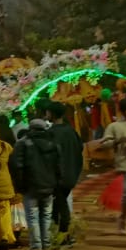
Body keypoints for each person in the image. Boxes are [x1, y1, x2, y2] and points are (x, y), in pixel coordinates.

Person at [9, 118, 63, 250]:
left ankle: (36, 248)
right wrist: (57, 184)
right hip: (49, 186)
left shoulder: (22, 143)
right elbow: (59, 166)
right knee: (46, 216)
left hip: (30, 186)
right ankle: (47, 245)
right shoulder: (53, 143)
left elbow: (17, 166)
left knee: (32, 217)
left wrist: (19, 186)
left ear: (30, 128)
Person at [45, 101, 84, 239]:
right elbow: (80, 148)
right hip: (72, 173)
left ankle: (64, 234)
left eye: (48, 112)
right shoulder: (71, 131)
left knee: (61, 205)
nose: (46, 115)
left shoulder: (52, 133)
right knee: (58, 204)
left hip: (58, 175)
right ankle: (59, 232)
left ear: (52, 114)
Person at [102, 100, 126, 234]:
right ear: (124, 111)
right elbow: (104, 144)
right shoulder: (114, 126)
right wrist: (118, 140)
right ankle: (123, 217)